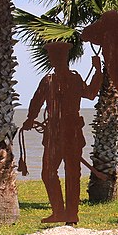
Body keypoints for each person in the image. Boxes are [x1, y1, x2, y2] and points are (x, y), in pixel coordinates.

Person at [22, 42, 102, 224]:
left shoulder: (72, 78)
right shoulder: (49, 80)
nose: (56, 60)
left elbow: (89, 94)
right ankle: (60, 212)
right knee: (50, 172)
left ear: (64, 58)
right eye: (54, 57)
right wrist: (30, 118)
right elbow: (37, 102)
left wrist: (98, 72)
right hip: (55, 134)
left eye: (58, 57)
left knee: (70, 173)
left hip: (70, 133)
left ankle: (70, 214)